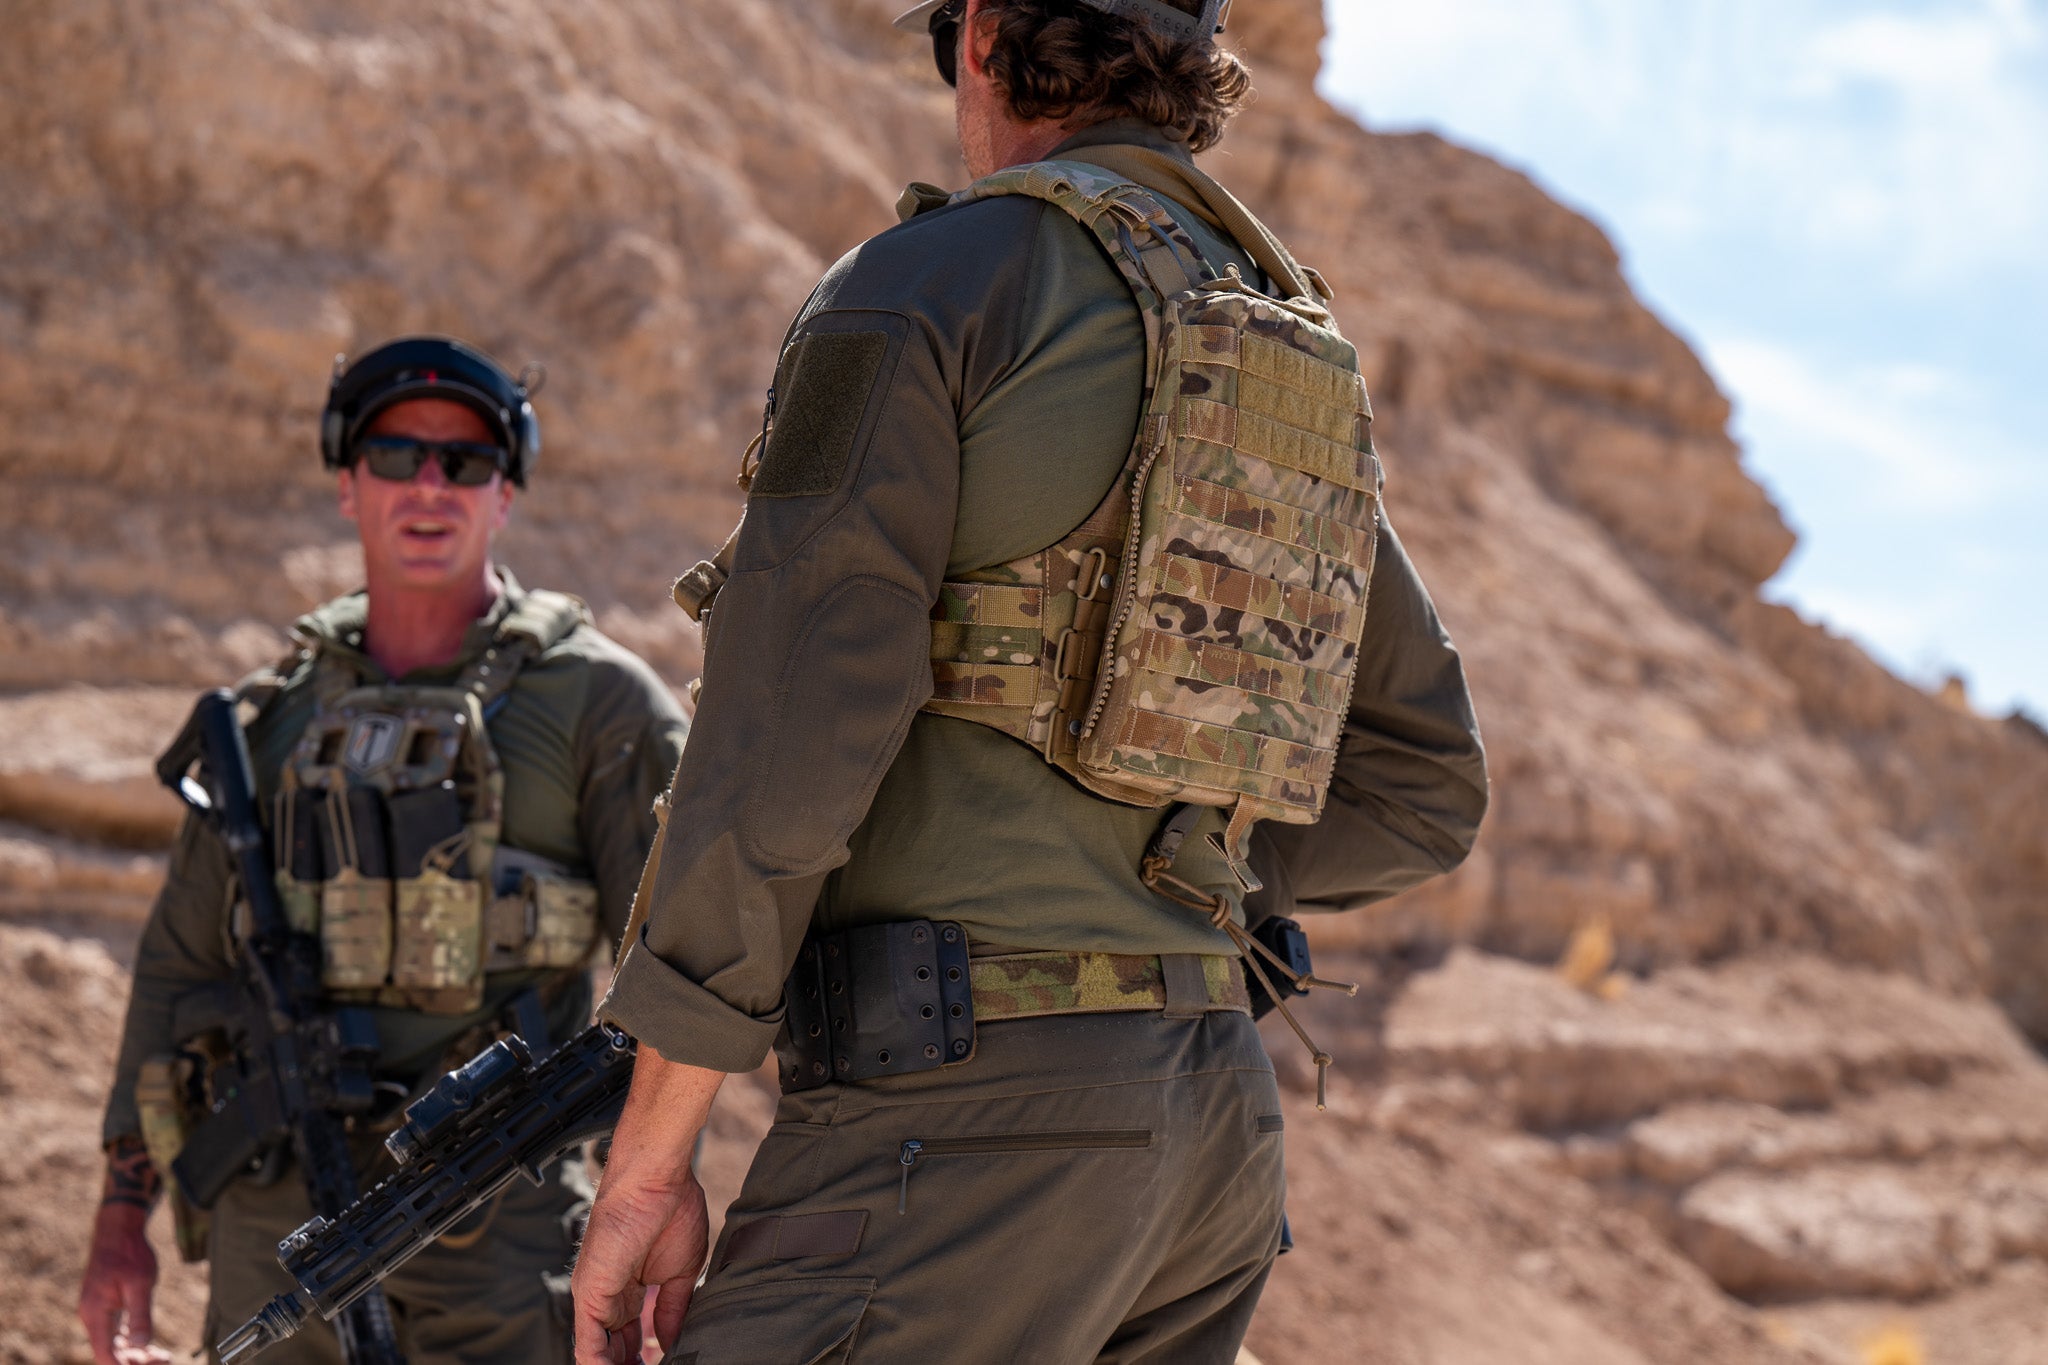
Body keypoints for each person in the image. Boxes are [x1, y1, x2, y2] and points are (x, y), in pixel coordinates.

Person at [575, 1, 1489, 1360]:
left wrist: (649, 1159)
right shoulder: (1283, 353)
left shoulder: (934, 284)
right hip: (1210, 1142)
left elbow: (785, 747)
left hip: (960, 1136)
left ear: (989, 34)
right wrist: (1175, 861)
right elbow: (1424, 783)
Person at [77, 336, 690, 1365]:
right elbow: (180, 969)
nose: (430, 486)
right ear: (346, 484)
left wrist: (650, 1198)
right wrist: (116, 1220)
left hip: (503, 1219)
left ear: (506, 494)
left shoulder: (599, 705)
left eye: (467, 462)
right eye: (398, 455)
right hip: (278, 1232)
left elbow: (680, 977)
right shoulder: (261, 722)